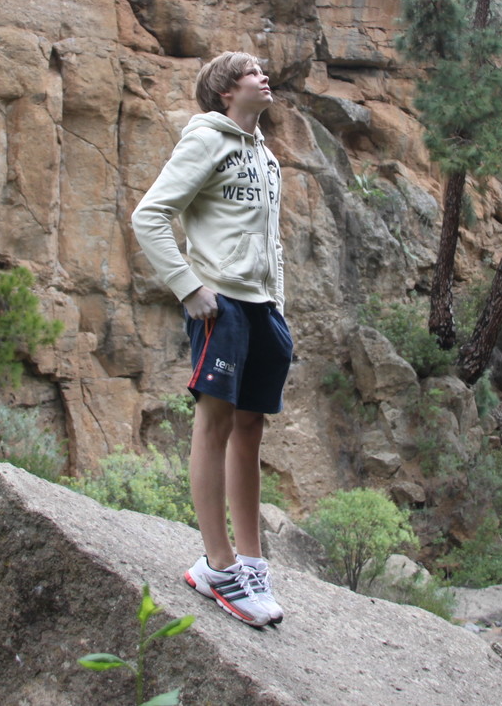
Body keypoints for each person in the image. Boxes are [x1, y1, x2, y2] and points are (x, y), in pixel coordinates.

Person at [130, 51, 292, 628]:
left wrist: (277, 304)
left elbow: (268, 240)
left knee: (250, 428)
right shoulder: (206, 140)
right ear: (226, 90)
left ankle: (251, 561)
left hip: (263, 308)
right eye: (252, 72)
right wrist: (189, 287)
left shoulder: (265, 156)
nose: (264, 77)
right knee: (214, 424)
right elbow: (149, 216)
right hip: (221, 305)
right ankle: (218, 567)